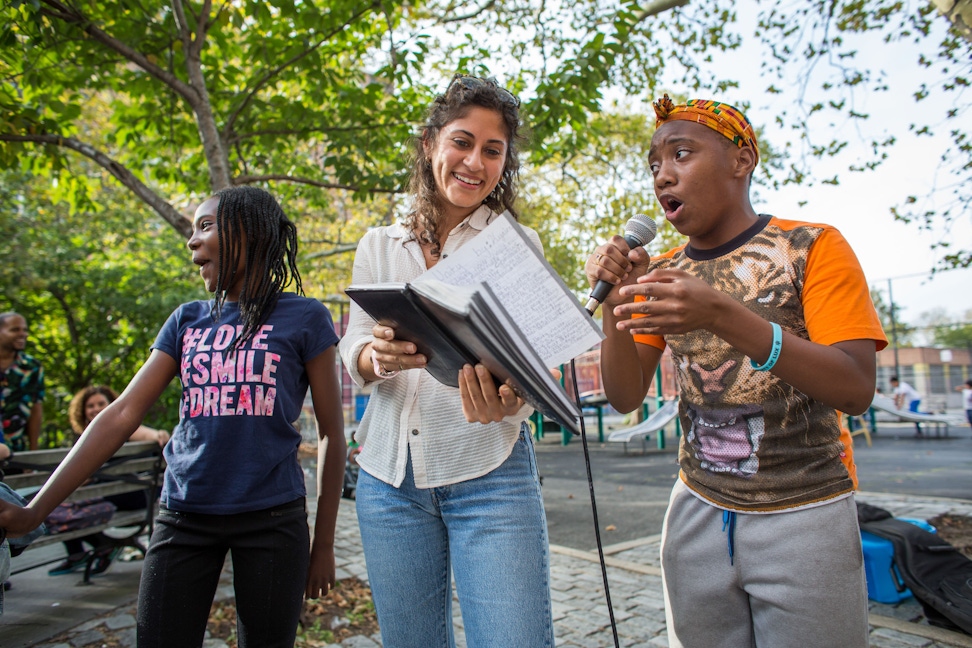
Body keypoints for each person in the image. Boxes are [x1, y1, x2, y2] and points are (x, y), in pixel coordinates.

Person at [585, 94, 887, 648]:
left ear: (742, 160)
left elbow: (855, 386)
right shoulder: (665, 272)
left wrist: (723, 313)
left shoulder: (811, 247)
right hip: (696, 511)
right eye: (654, 164)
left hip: (806, 512)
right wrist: (615, 302)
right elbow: (626, 395)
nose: (663, 175)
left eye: (681, 154)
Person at [0, 186, 346, 647]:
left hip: (273, 520)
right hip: (184, 515)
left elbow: (331, 433)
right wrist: (33, 511)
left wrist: (322, 545)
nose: (191, 240)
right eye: (190, 230)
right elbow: (121, 415)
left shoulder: (305, 317)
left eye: (205, 226)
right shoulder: (187, 321)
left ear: (250, 232)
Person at [338, 74, 555, 648]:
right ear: (431, 142)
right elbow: (352, 346)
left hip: (491, 474)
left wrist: (516, 394)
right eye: (462, 141)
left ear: (504, 162)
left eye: (493, 150)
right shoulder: (379, 244)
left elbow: (534, 367)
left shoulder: (517, 244)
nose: (474, 162)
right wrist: (374, 356)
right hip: (388, 481)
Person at [47, 385, 171, 577]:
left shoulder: (123, 427)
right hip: (123, 495)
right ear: (83, 411)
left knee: (58, 505)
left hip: (132, 495)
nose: (96, 408)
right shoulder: (86, 438)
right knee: (63, 506)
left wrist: (158, 435)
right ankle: (94, 548)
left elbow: (149, 434)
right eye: (90, 405)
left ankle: (86, 550)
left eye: (101, 403)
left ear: (112, 405)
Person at [0, 312, 45, 452]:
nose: (23, 334)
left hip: (17, 450)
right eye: (15, 330)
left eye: (25, 330)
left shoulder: (32, 367)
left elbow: (35, 409)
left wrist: (33, 451)